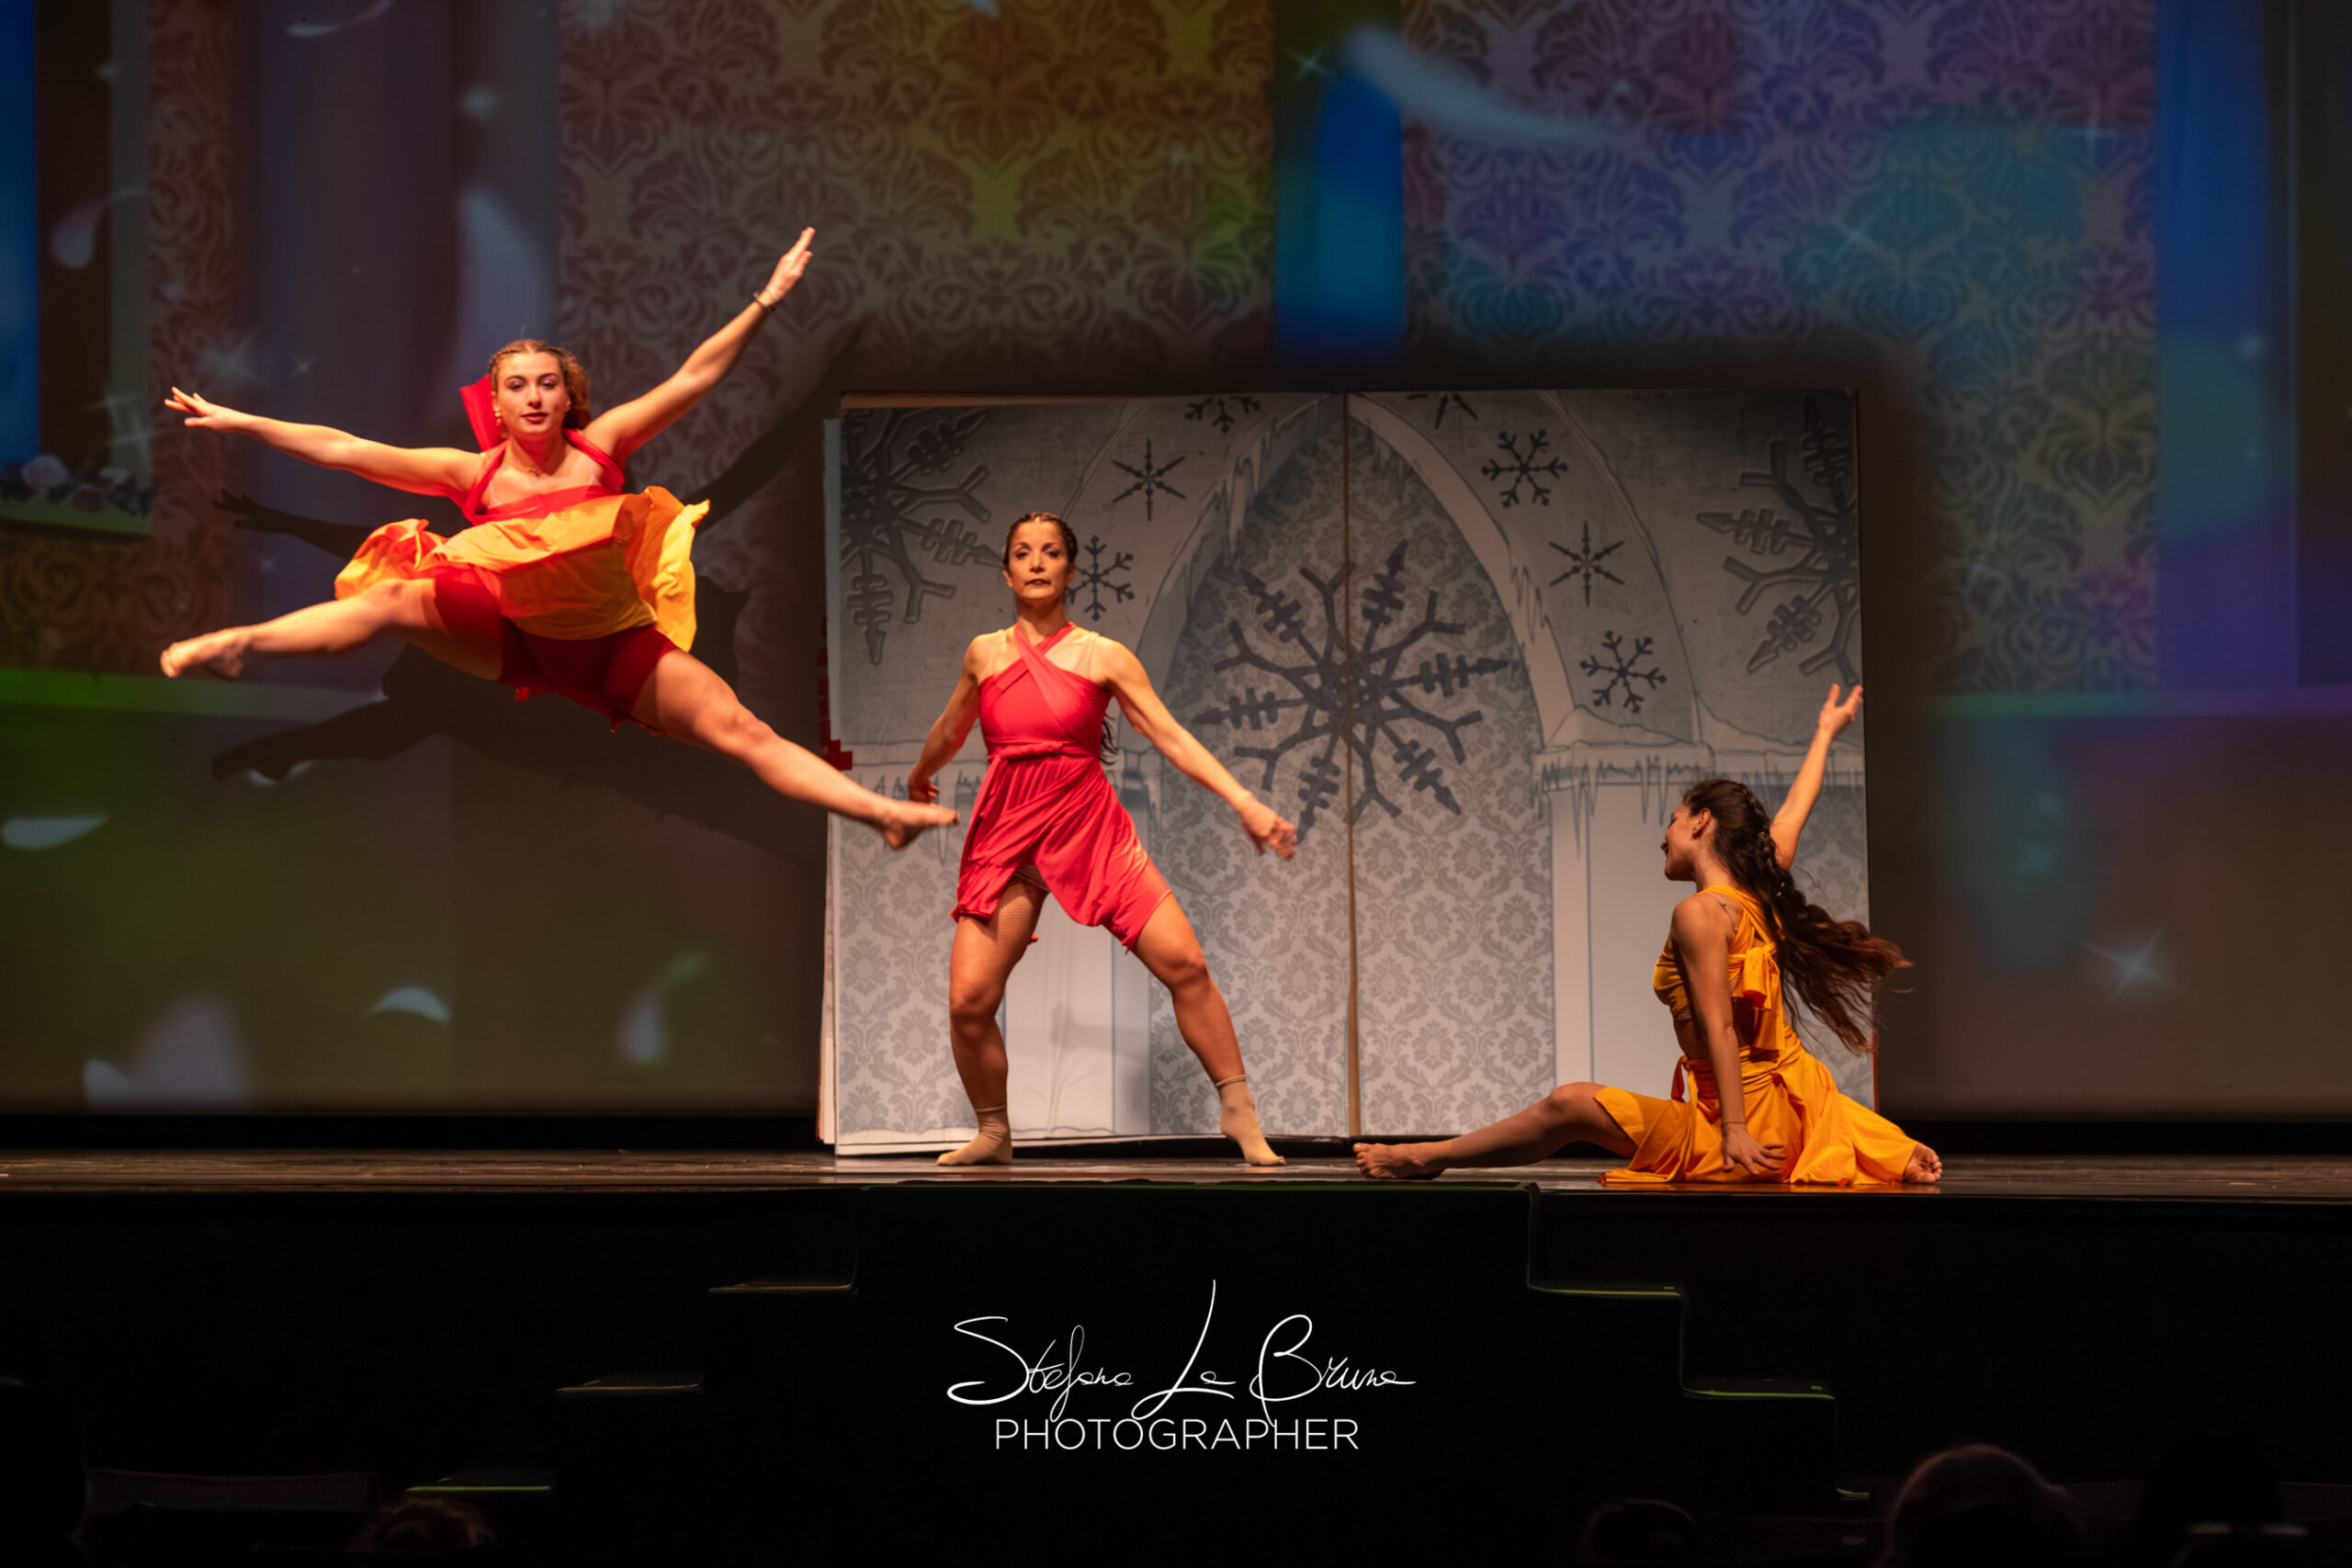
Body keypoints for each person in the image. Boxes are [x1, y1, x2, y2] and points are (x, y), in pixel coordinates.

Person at [158, 229, 955, 850]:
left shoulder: (602, 448)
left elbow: (694, 377)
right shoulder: (470, 474)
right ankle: (242, 642)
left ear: (567, 397)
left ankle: (878, 812)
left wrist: (766, 300)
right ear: (497, 405)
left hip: (613, 648)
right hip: (510, 636)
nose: (535, 397)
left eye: (548, 384)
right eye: (518, 386)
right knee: (393, 599)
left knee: (741, 732)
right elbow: (345, 449)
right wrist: (240, 420)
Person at [1354, 683, 1939, 1184]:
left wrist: (1734, 1129)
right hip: (1795, 1105)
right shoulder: (1760, 889)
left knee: (1569, 1103)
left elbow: (1718, 1026)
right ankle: (1430, 1155)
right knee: (1569, 1106)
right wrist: (1825, 732)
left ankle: (1427, 1156)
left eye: (1673, 819)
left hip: (1742, 1119)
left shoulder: (1700, 913)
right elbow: (1791, 813)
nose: (1664, 836)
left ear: (1702, 821)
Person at [907, 512, 1296, 1167]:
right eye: (1023, 553)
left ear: (1071, 570)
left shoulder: (1102, 655)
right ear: (1006, 573)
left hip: (1088, 828)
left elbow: (1170, 736)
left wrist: (1245, 801)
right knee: (969, 1002)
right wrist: (921, 776)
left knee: (1186, 965)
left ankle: (1238, 1108)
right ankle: (994, 1131)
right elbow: (950, 728)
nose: (1037, 563)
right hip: (1008, 832)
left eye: (1050, 552)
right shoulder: (985, 652)